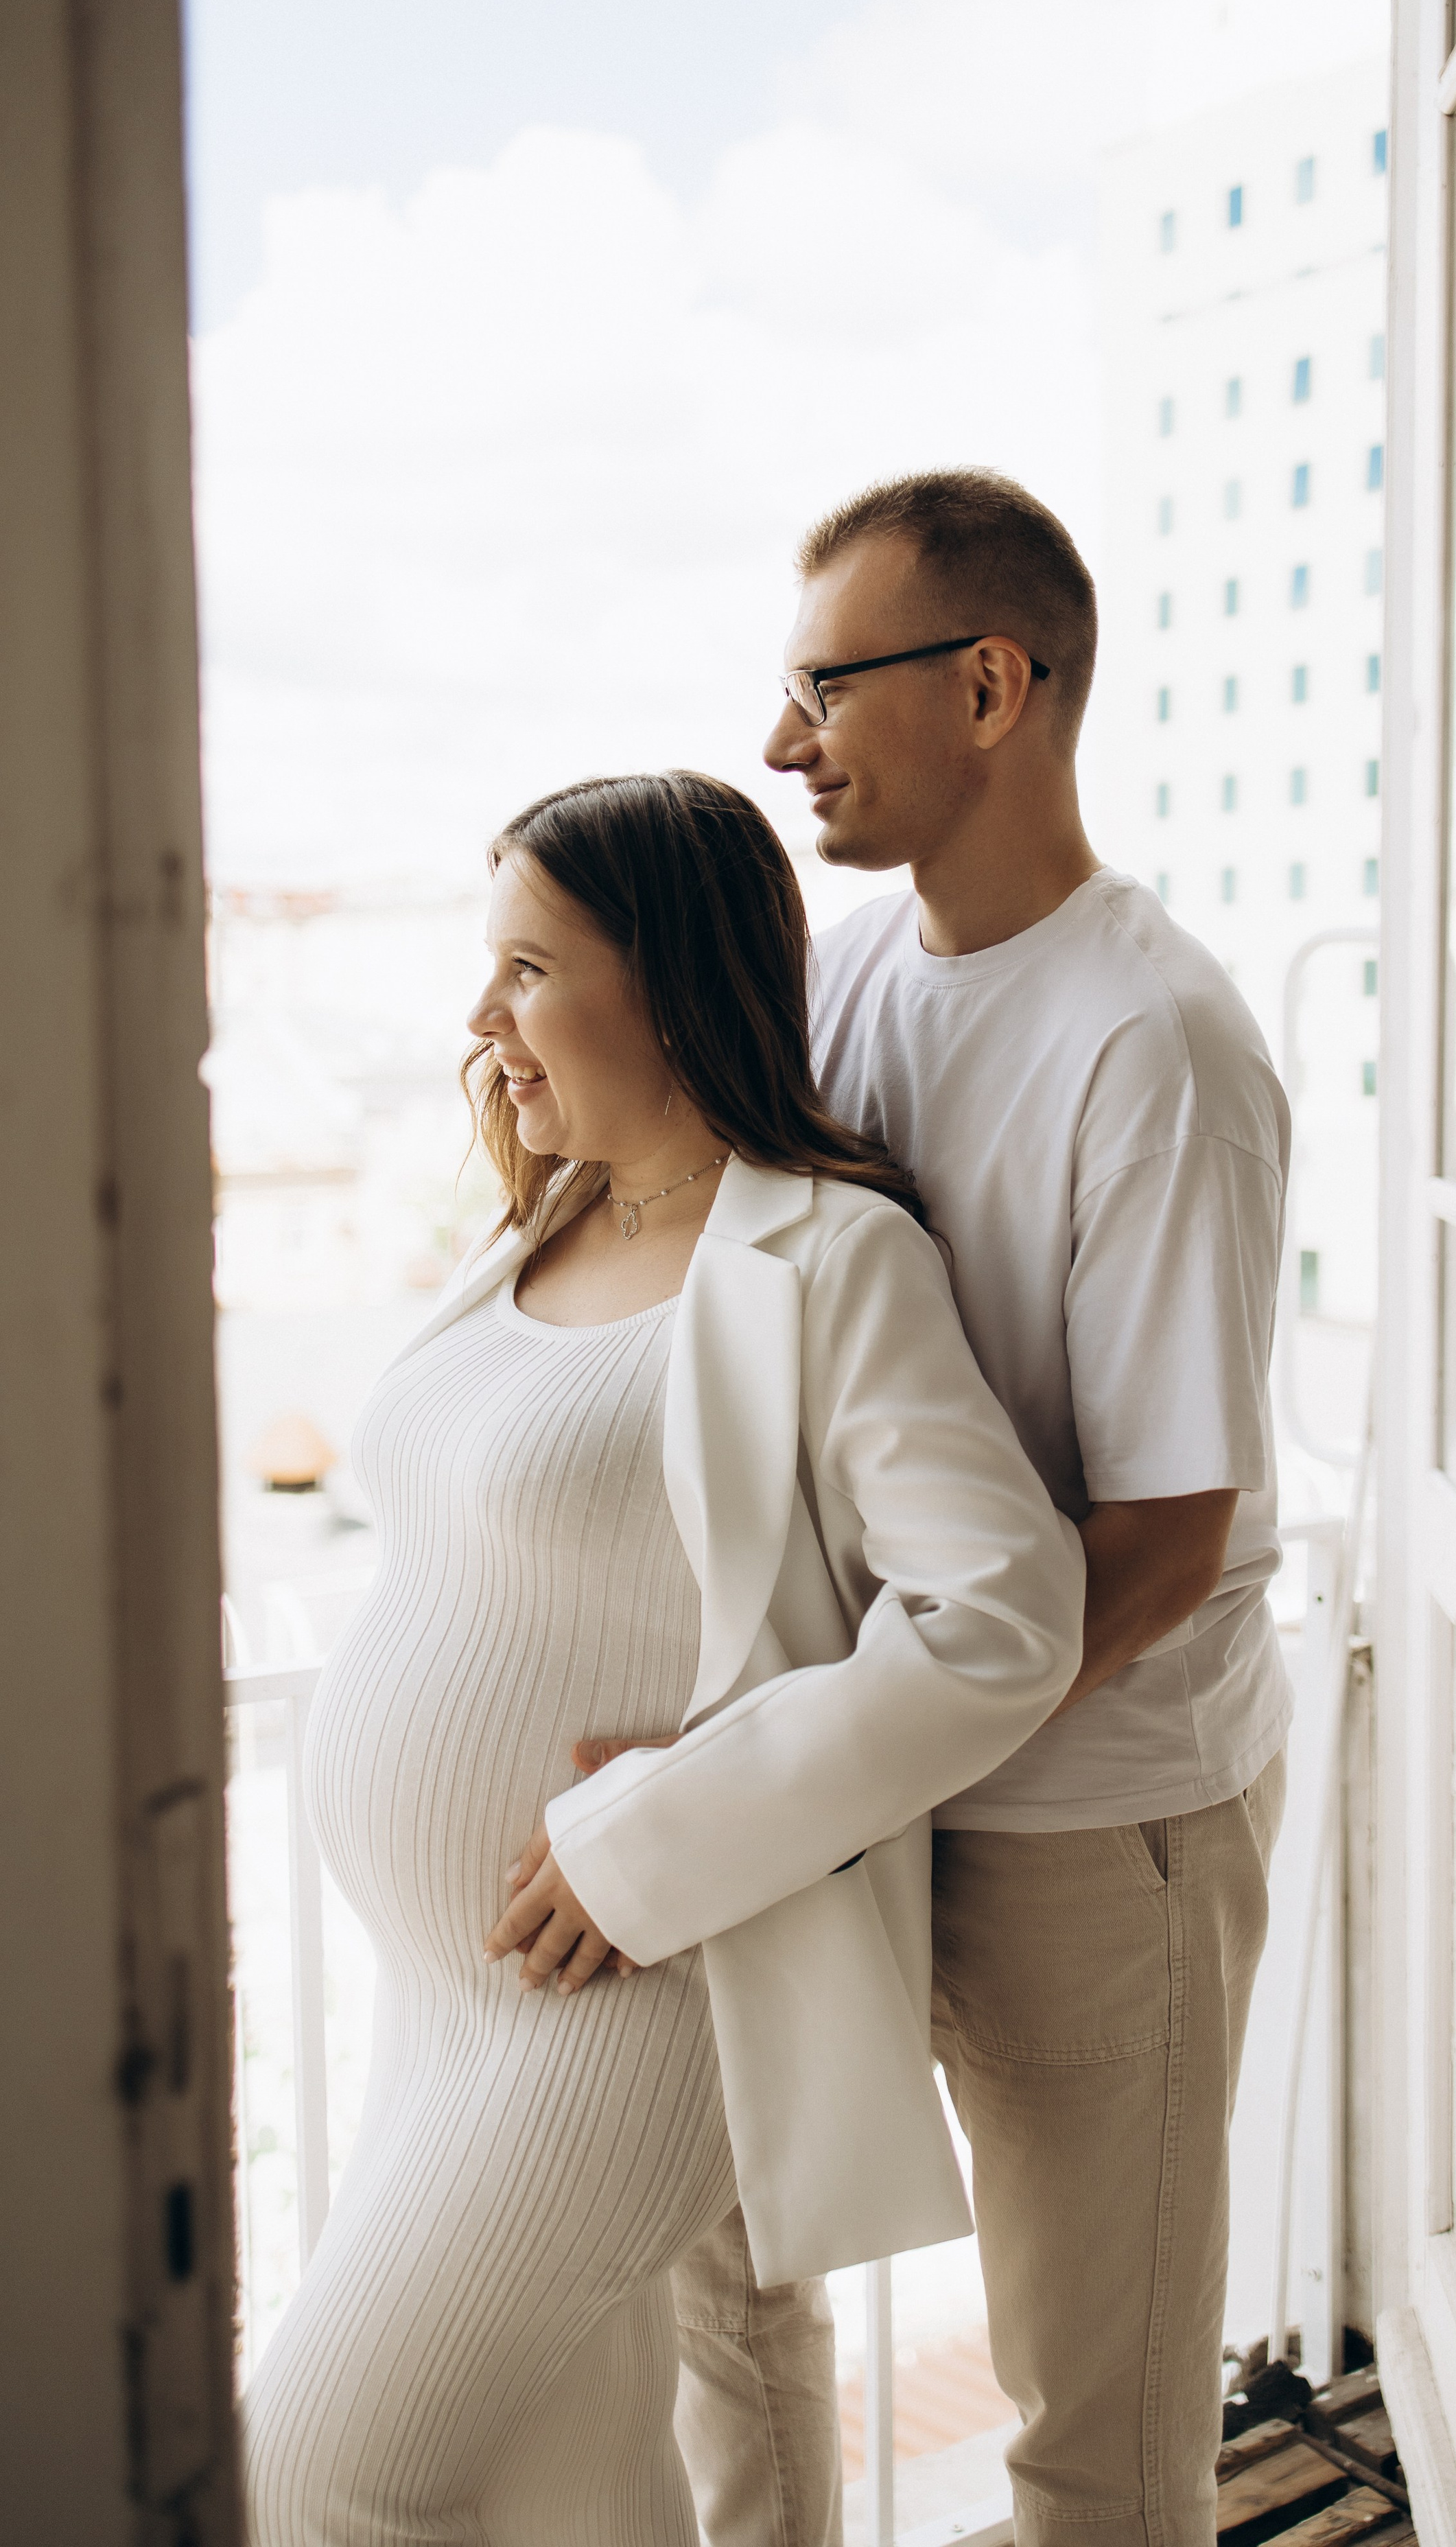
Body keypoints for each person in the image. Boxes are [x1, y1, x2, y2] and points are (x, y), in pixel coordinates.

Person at [241, 769, 1086, 2546]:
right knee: (573, 2492)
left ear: (674, 979)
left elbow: (1005, 1615)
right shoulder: (548, 1220)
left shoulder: (828, 1254)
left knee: (314, 2474)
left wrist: (661, 1827)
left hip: (629, 2004)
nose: (484, 1017)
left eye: (531, 969)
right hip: (447, 1997)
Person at [663, 472, 1292, 2547]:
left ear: (995, 685)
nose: (782, 746)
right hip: (889, 1790)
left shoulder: (1156, 1041)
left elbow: (1166, 1533)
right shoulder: (844, 981)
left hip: (1099, 1825)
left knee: (1090, 2448)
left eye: (825, 687)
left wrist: (831, 1766)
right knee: (739, 2295)